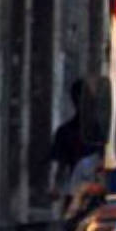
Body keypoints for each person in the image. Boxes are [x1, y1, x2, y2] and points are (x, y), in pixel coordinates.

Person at [49, 79, 102, 216]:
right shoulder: (65, 132)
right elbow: (61, 164)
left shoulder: (104, 130)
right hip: (75, 192)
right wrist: (56, 187)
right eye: (80, 99)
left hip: (99, 190)